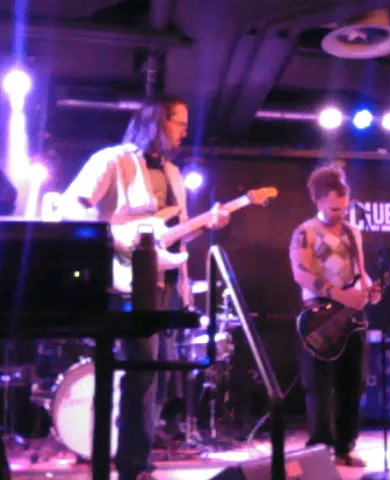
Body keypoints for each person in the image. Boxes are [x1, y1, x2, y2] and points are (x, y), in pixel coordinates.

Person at [60, 94, 230, 480]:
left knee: (161, 377)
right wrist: (118, 238)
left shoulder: (173, 173)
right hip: (129, 282)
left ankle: (137, 459)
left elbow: (173, 233)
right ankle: (133, 465)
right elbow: (72, 205)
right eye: (178, 122)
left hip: (166, 283)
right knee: (142, 373)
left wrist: (207, 222)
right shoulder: (113, 160)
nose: (185, 130)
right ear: (156, 122)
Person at [288, 165, 380, 467]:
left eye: (344, 207)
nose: (340, 214)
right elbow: (300, 273)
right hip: (319, 314)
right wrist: (336, 293)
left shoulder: (354, 233)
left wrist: (370, 289)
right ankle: (321, 447)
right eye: (334, 209)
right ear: (319, 202)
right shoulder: (305, 231)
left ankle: (345, 446)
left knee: (354, 382)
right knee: (320, 386)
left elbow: (361, 272)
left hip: (353, 315)